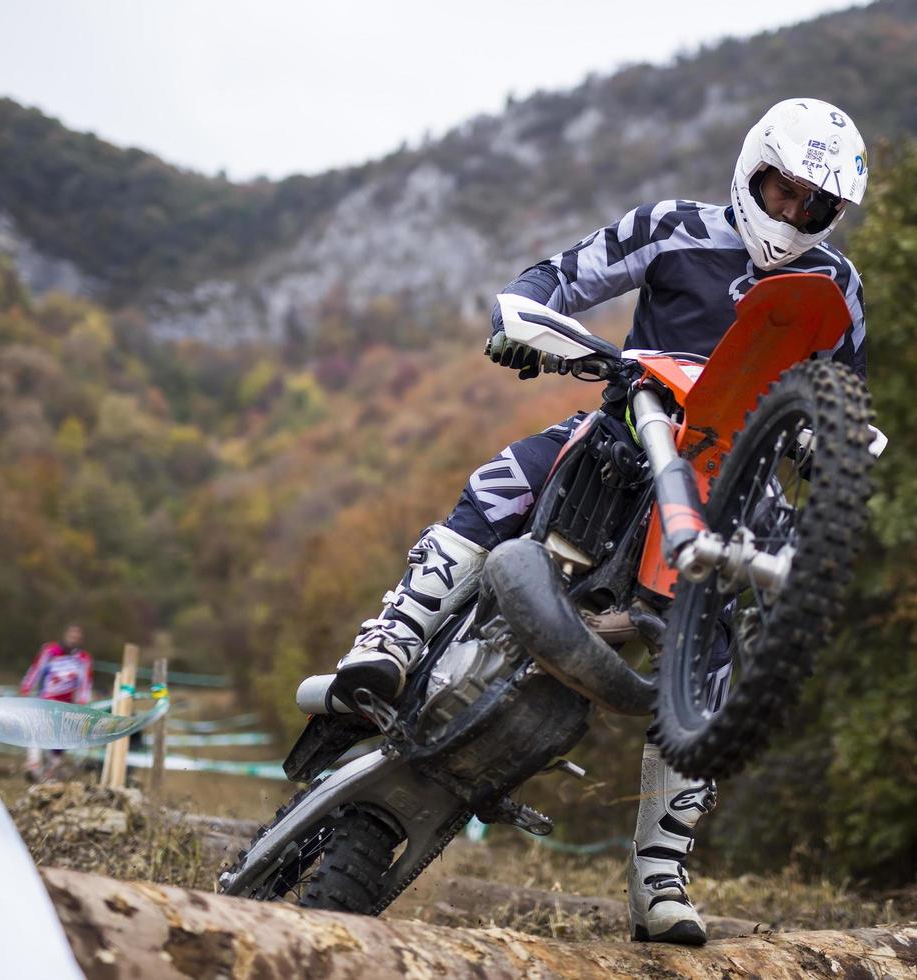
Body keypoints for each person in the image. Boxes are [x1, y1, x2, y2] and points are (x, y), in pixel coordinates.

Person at [324, 98, 869, 945]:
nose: (795, 214)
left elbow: (846, 395)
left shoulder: (833, 286)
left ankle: (660, 871)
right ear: (751, 169)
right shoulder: (674, 226)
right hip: (632, 424)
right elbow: (557, 275)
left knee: (727, 644)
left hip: (735, 477)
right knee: (502, 481)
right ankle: (391, 641)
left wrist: (845, 453)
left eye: (816, 205)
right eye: (783, 191)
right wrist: (527, 323)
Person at [20, 623, 94, 780]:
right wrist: (26, 687)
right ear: (65, 634)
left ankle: (52, 770)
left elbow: (85, 682)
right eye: (71, 635)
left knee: (59, 738)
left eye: (77, 637)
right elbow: (36, 669)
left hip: (66, 705)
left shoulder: (83, 659)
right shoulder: (50, 650)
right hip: (46, 700)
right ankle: (33, 764)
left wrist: (82, 702)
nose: (73, 639)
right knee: (37, 729)